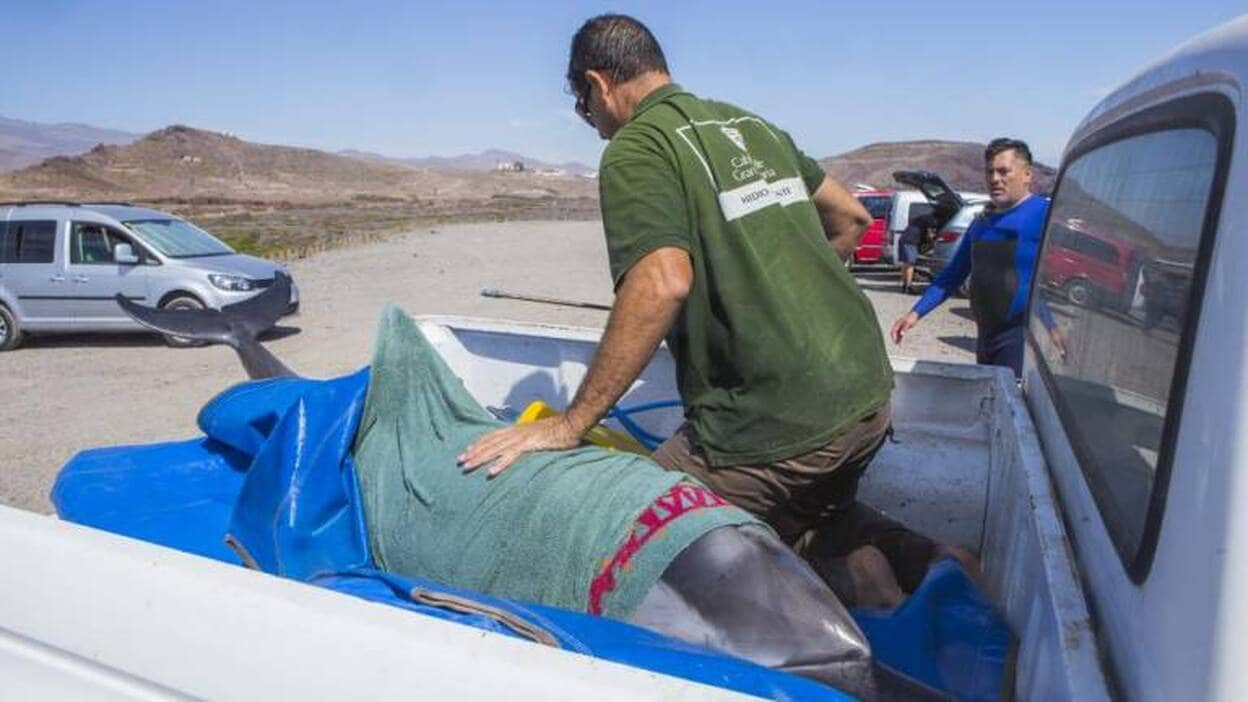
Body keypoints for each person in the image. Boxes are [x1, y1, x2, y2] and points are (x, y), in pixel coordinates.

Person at [461, 14, 974, 607]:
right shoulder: (747, 126)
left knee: (635, 540)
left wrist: (570, 424)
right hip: (864, 396)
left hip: (778, 420)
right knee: (809, 518)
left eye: (584, 107)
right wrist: (776, 288)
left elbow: (661, 283)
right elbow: (851, 219)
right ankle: (933, 561)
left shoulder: (638, 146)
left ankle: (852, 586)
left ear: (599, 85)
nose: (593, 125)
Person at [890, 138, 1052, 377]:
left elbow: (1052, 285)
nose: (995, 179)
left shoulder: (1044, 214)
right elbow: (953, 273)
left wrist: (1052, 327)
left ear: (1027, 174)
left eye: (1004, 171)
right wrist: (915, 313)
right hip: (986, 337)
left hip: (1020, 339)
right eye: (990, 172)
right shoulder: (982, 221)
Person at [898, 214, 936, 294]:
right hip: (910, 241)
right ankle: (909, 287)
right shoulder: (930, 220)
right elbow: (930, 235)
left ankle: (904, 286)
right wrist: (932, 241)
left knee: (905, 264)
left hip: (903, 239)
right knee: (911, 264)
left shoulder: (918, 219)